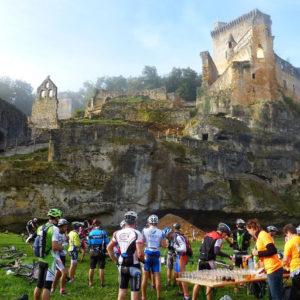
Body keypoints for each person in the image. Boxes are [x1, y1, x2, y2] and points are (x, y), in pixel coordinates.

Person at [107, 211, 145, 300]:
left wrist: (116, 261)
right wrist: (144, 261)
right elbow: (140, 253)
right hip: (134, 266)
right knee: (134, 293)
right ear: (135, 221)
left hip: (122, 265)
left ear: (125, 221)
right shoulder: (137, 233)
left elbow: (109, 248)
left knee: (122, 292)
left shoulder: (117, 233)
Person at [192, 223, 233, 300]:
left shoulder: (207, 235)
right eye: (226, 234)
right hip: (209, 262)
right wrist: (228, 256)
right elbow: (216, 251)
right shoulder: (218, 238)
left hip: (200, 260)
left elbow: (201, 248)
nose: (225, 236)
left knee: (197, 282)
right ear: (223, 231)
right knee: (209, 284)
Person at [246, 219, 283, 300]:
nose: (248, 232)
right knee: (272, 296)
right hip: (270, 269)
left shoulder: (263, 235)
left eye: (248, 230)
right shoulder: (259, 236)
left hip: (274, 268)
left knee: (276, 297)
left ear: (252, 228)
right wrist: (253, 255)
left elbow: (272, 250)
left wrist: (257, 253)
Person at [33, 208, 64, 300]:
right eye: (59, 217)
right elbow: (54, 246)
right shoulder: (54, 229)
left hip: (41, 258)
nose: (59, 219)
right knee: (47, 287)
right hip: (50, 260)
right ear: (56, 217)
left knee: (39, 285)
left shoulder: (40, 227)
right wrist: (63, 247)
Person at [141, 214, 166, 300]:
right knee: (157, 277)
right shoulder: (161, 232)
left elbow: (142, 242)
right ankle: (159, 297)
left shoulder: (144, 231)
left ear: (149, 222)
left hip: (147, 254)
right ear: (157, 222)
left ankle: (143, 297)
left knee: (144, 277)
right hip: (156, 254)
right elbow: (164, 245)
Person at [165, 227, 190, 300]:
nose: (167, 238)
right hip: (178, 256)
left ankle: (186, 296)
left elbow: (184, 249)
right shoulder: (174, 238)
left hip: (182, 257)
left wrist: (175, 248)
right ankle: (181, 291)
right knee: (177, 275)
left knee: (181, 276)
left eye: (167, 237)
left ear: (169, 234)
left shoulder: (178, 237)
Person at [88, 219, 110, 287]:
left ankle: (90, 283)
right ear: (99, 225)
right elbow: (107, 242)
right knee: (101, 268)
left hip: (92, 252)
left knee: (92, 268)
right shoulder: (103, 232)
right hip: (101, 252)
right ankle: (102, 284)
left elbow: (89, 243)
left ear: (93, 225)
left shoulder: (90, 233)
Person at [51, 218, 69, 296]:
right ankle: (62, 290)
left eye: (66, 226)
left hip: (62, 255)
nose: (66, 228)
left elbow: (64, 242)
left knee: (58, 273)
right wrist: (64, 244)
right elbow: (56, 245)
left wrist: (67, 240)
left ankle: (53, 288)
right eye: (64, 227)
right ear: (60, 227)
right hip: (56, 255)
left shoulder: (64, 233)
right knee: (65, 272)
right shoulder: (56, 233)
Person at [282, 224, 300, 300]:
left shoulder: (289, 243)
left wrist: (282, 265)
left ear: (288, 232)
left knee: (297, 292)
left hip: (296, 270)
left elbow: (285, 259)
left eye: (287, 235)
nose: (287, 237)